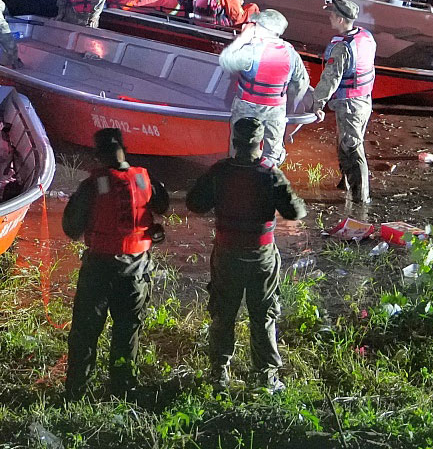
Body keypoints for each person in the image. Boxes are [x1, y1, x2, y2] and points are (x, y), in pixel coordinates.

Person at [186, 117, 309, 393]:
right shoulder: (270, 174)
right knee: (263, 314)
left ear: (234, 143)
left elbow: (195, 203)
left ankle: (218, 375)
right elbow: (294, 212)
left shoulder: (220, 172)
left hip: (227, 254)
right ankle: (265, 378)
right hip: (261, 256)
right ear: (261, 144)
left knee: (222, 313)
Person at [60, 127, 169, 400]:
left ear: (98, 155)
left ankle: (76, 393)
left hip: (99, 268)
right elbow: (163, 206)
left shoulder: (93, 184)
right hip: (137, 270)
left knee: (85, 331)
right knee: (127, 330)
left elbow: (71, 228)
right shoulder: (145, 178)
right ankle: (123, 390)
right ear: (124, 149)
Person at [306, 0, 377, 210]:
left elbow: (330, 78)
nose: (329, 17)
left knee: (351, 148)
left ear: (339, 19)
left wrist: (316, 103)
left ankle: (360, 200)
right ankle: (346, 183)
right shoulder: (365, 36)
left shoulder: (342, 48)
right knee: (346, 143)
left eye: (331, 14)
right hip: (364, 100)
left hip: (350, 104)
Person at [217, 9, 309, 167]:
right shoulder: (291, 52)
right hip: (276, 110)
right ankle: (268, 179)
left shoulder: (250, 51)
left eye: (255, 24)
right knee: (272, 153)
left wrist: (242, 38)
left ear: (261, 28)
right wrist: (289, 105)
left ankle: (238, 177)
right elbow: (302, 82)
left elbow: (225, 60)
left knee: (240, 149)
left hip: (246, 106)